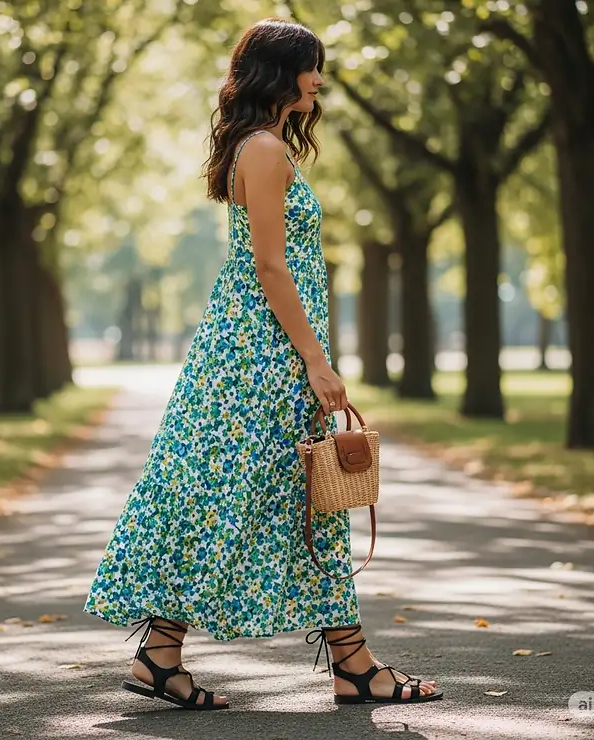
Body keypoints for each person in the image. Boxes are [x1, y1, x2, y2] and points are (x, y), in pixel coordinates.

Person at [84, 17, 442, 710]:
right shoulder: (265, 151)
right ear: (282, 73)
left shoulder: (264, 146)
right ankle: (350, 664)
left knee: (266, 494)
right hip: (262, 354)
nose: (320, 80)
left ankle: (167, 653)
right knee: (286, 494)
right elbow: (270, 266)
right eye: (312, 67)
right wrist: (316, 360)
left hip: (256, 348)